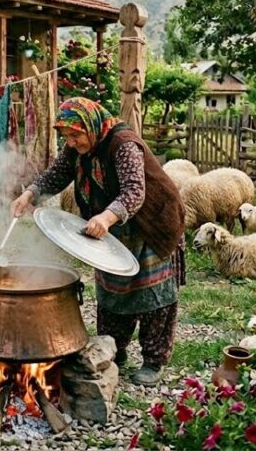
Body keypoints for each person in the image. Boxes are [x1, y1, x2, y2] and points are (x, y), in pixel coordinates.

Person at [10, 98, 185, 386]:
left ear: (90, 125)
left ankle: (154, 361)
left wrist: (105, 217)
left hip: (151, 223)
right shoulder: (79, 144)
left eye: (75, 135)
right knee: (113, 289)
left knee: (152, 294)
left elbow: (134, 191)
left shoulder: (123, 143)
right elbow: (58, 174)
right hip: (112, 224)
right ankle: (114, 349)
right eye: (66, 136)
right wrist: (29, 194)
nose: (72, 142)